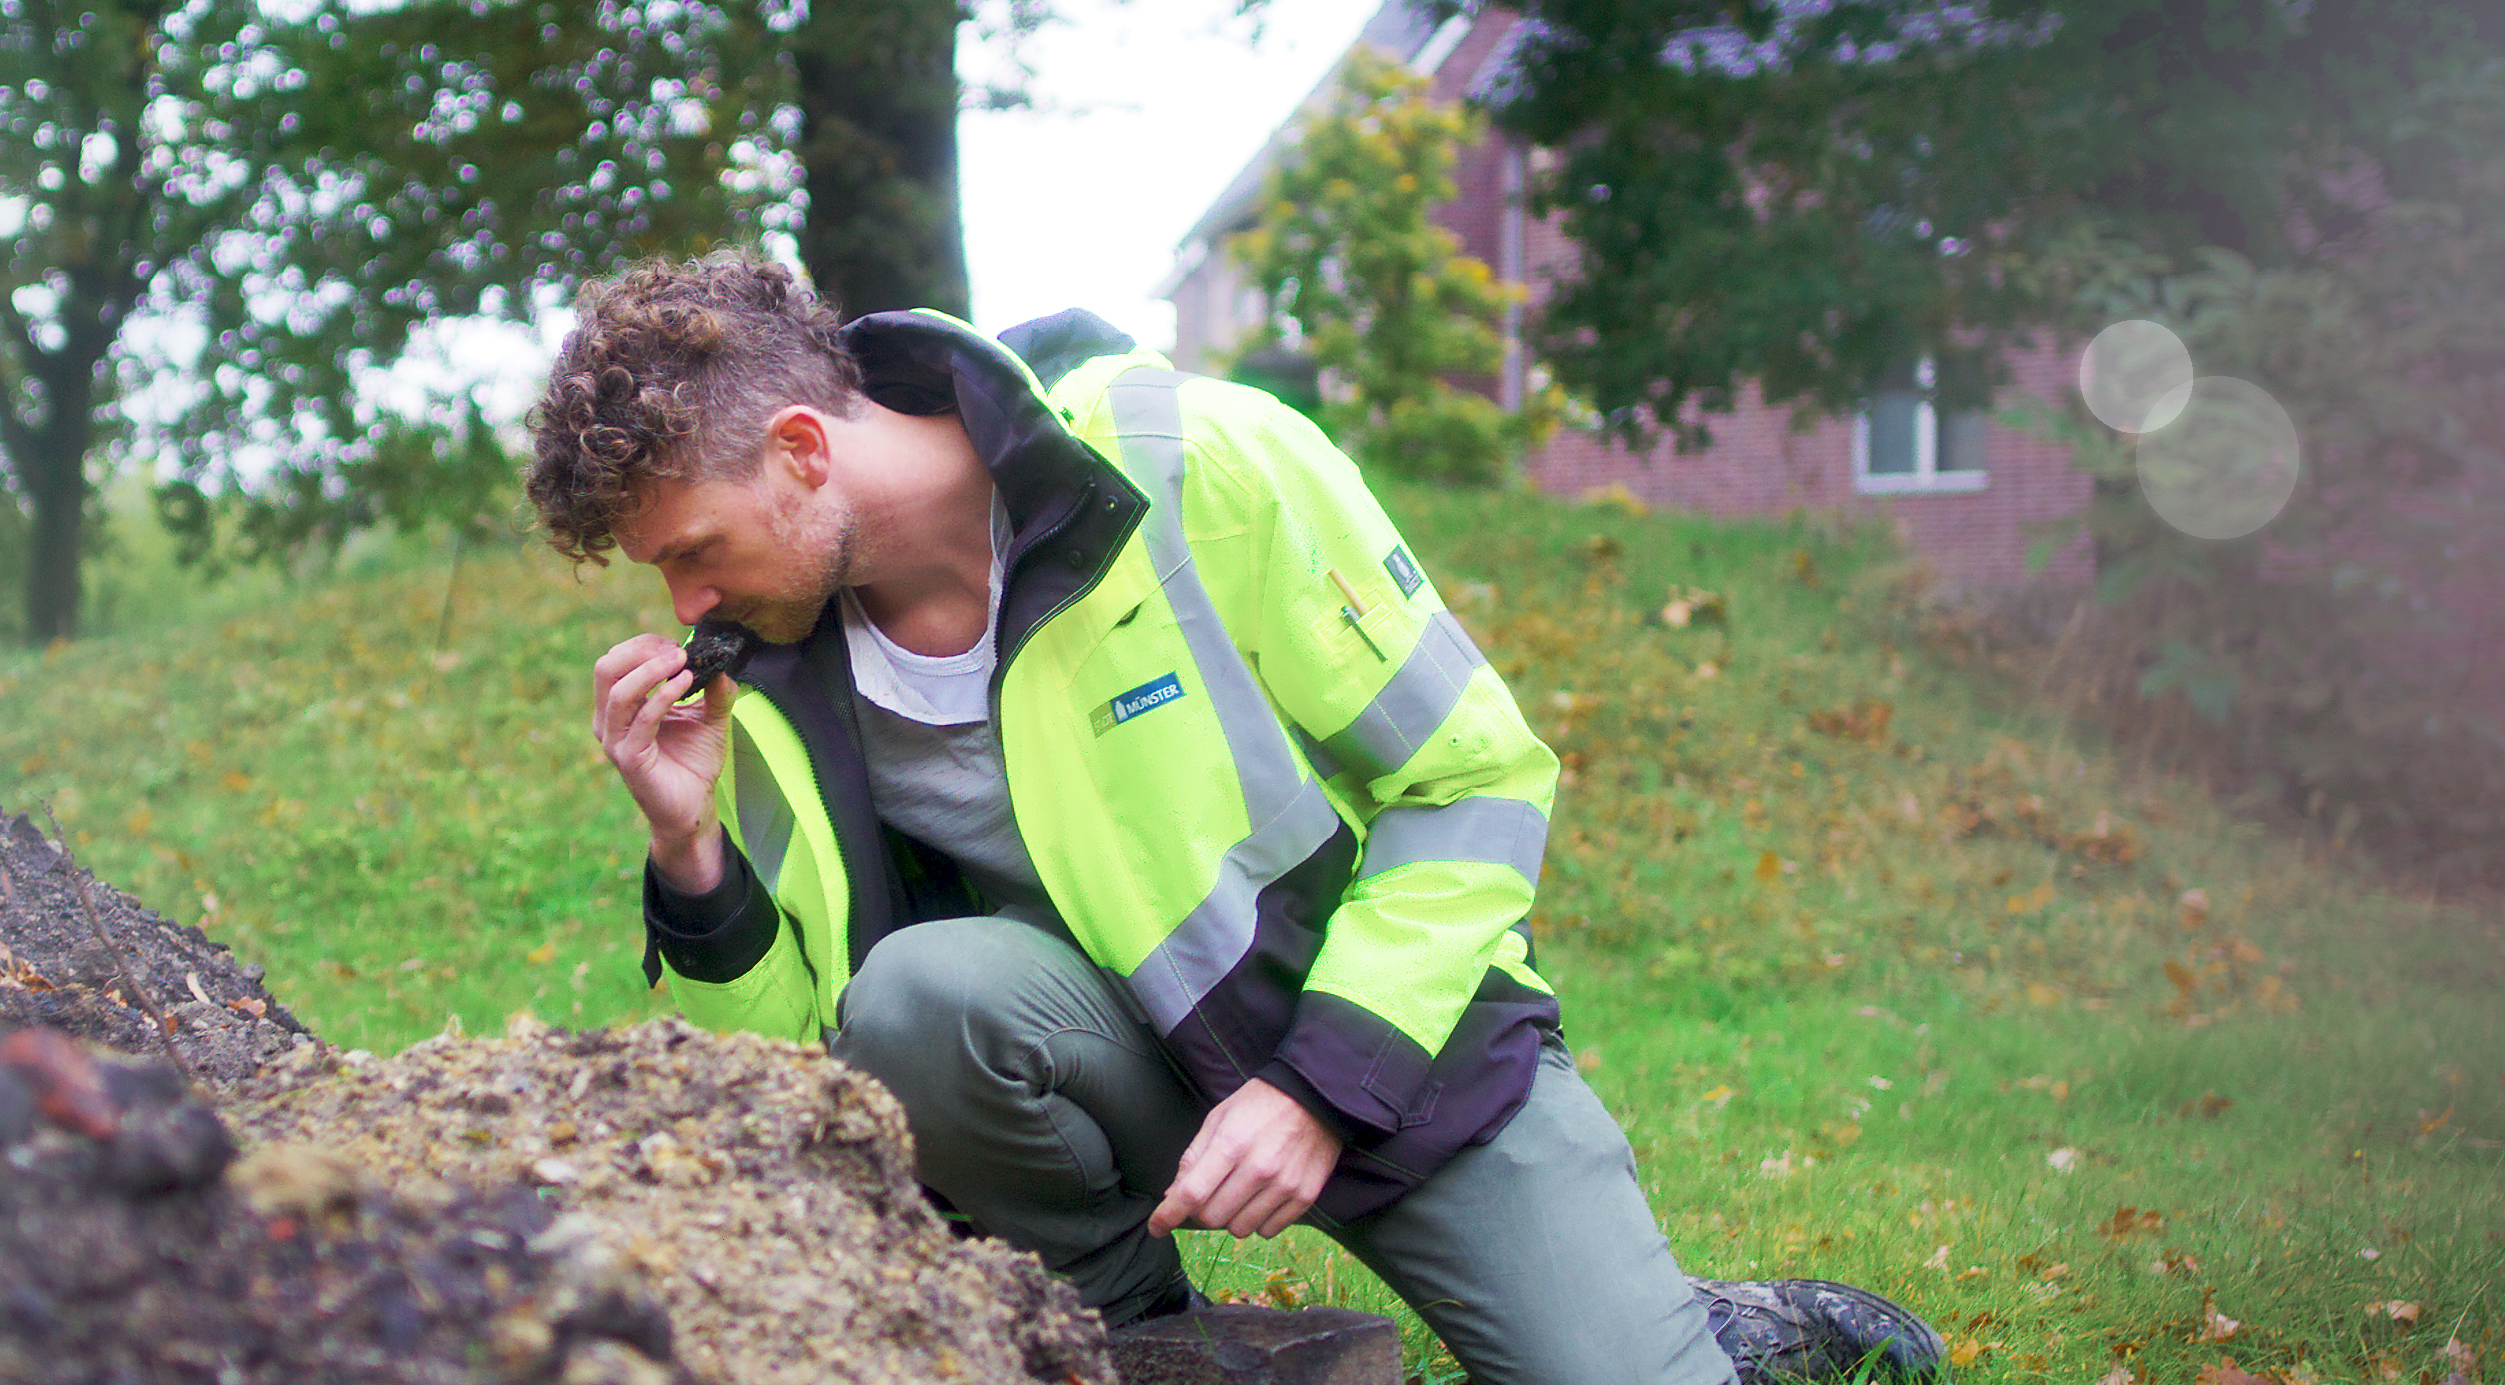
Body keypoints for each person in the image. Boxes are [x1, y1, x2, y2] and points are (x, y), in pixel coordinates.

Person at [524, 250, 1940, 1385]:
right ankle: (1125, 1329)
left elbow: (1474, 779)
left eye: (693, 554)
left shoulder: (1197, 463)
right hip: (1104, 1096)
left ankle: (1724, 1330)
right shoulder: (767, 669)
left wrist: (1319, 1086)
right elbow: (822, 1058)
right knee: (923, 990)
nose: (686, 612)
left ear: (799, 450)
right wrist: (689, 848)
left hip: (1386, 1053)